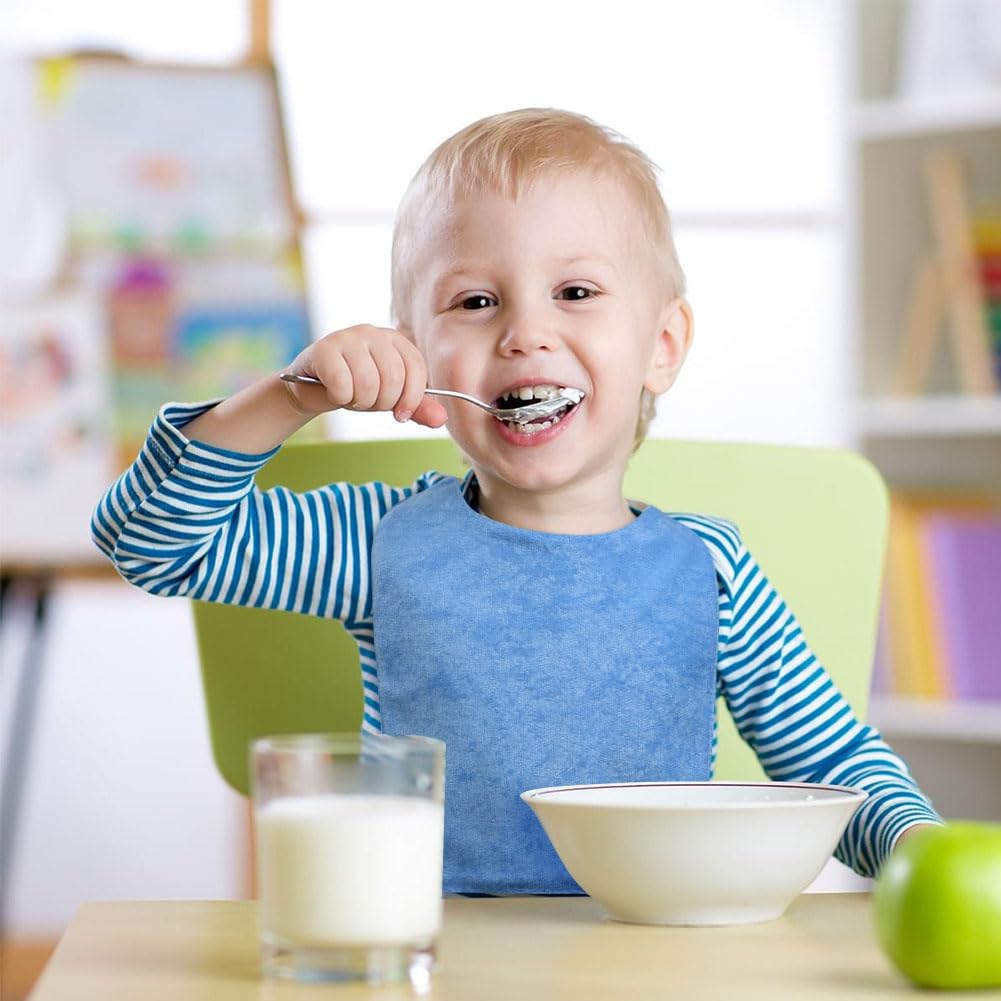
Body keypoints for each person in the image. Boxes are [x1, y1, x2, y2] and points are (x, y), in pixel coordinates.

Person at [92, 108, 941, 894]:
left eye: (574, 292)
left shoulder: (712, 572)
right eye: (474, 301)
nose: (524, 333)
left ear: (662, 345)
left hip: (651, 958)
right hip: (425, 954)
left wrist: (920, 849)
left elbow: (834, 763)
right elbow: (150, 540)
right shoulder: (372, 540)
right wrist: (290, 395)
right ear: (414, 354)